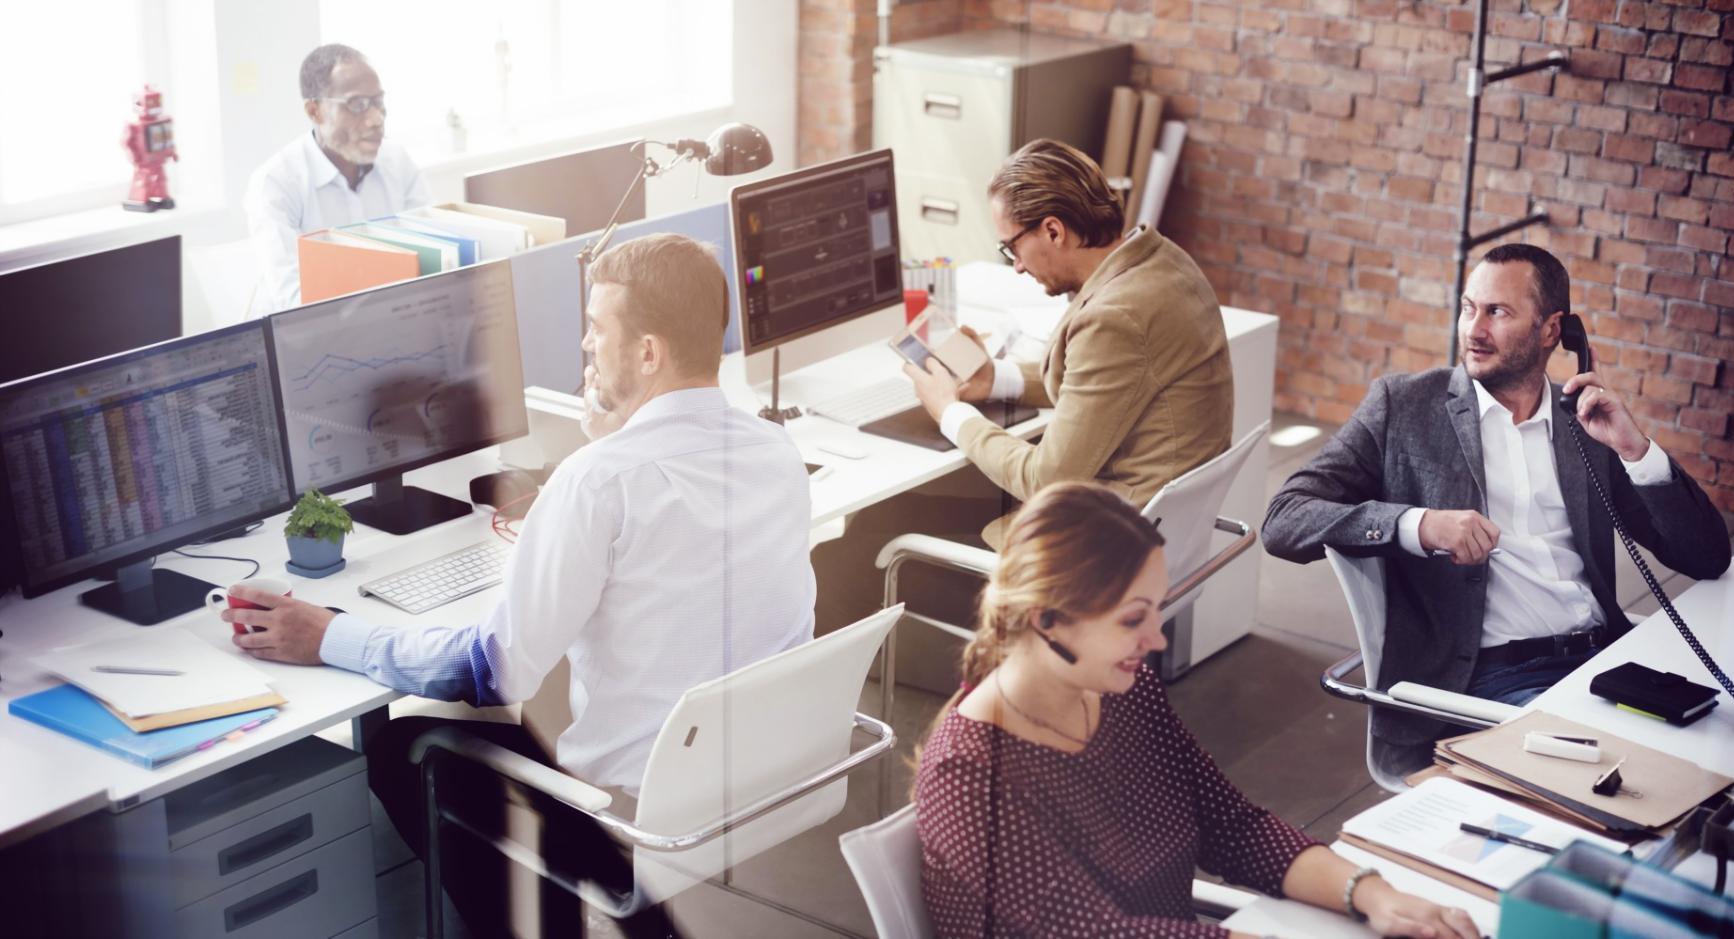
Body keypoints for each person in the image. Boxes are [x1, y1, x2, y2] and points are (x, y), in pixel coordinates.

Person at [219, 233, 815, 935]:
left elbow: (492, 670)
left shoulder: (599, 482)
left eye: (597, 328)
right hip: (758, 781)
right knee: (544, 701)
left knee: (404, 743)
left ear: (649, 353)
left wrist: (331, 635)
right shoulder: (775, 450)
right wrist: (613, 442)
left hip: (637, 811)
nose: (586, 345)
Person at [914, 482, 1479, 939]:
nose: (1156, 639)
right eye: (1131, 619)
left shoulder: (1123, 692)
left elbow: (1234, 828)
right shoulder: (968, 774)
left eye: (1155, 610)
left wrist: (1373, 895)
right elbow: (1095, 933)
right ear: (1046, 621)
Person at [1262, 242, 1731, 777]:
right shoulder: (1404, 407)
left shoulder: (1585, 423)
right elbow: (1284, 518)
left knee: (1721, 760)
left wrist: (1636, 449)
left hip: (1605, 663)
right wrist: (1419, 526)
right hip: (1491, 680)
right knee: (1631, 781)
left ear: (1552, 331)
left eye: (1498, 312)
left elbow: (1706, 556)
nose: (1475, 330)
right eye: (1469, 308)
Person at [904, 138, 1235, 548]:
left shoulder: (1114, 317)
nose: (1017, 266)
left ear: (1053, 230)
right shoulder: (1163, 262)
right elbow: (1105, 383)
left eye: (1012, 247)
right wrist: (995, 379)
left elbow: (1045, 479)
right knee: (918, 509)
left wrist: (949, 412)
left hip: (1100, 549)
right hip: (1155, 523)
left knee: (868, 537)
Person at [244, 44, 431, 315]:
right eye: (357, 105)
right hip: (307, 333)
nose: (376, 119)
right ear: (315, 111)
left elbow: (433, 261)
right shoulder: (275, 183)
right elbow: (293, 299)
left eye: (378, 102)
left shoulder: (397, 162)